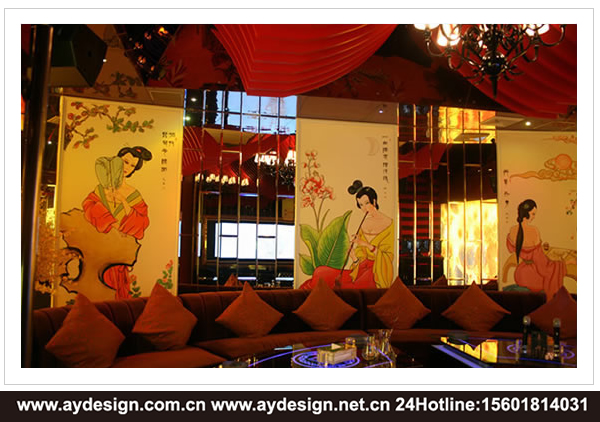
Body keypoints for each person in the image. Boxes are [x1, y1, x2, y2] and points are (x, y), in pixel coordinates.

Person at [82, 146, 152, 299]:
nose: (127, 167)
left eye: (132, 165)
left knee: (116, 287)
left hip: (118, 250)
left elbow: (142, 222)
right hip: (97, 247)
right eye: (125, 162)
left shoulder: (133, 194)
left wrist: (124, 202)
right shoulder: (101, 188)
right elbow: (88, 206)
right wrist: (109, 222)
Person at [300, 180, 394, 289]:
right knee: (320, 272)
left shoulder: (389, 223)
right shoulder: (364, 223)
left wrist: (366, 244)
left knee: (346, 287)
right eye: (361, 205)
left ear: (374, 201)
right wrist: (353, 256)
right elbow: (360, 259)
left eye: (367, 203)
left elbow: (388, 257)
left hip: (376, 272)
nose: (364, 208)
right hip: (360, 270)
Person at [506, 199, 575, 300]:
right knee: (553, 269)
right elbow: (543, 267)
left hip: (519, 274)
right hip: (532, 277)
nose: (534, 217)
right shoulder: (534, 231)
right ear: (526, 213)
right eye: (533, 214)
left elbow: (512, 249)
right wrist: (564, 263)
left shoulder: (512, 230)